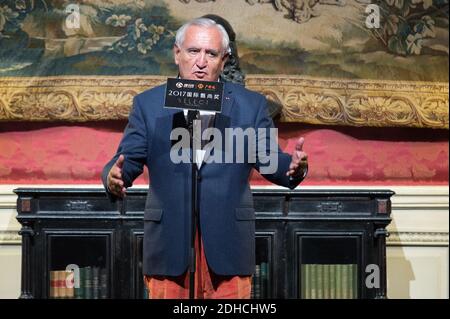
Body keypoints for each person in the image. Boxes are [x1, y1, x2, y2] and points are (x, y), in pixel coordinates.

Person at [102, 17, 308, 299]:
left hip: (228, 247)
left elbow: (269, 159)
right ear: (177, 54)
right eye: (193, 51)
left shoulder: (250, 105)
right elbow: (128, 160)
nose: (201, 62)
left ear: (223, 60)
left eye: (211, 54)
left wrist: (294, 168)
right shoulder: (148, 105)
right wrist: (114, 178)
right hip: (169, 246)